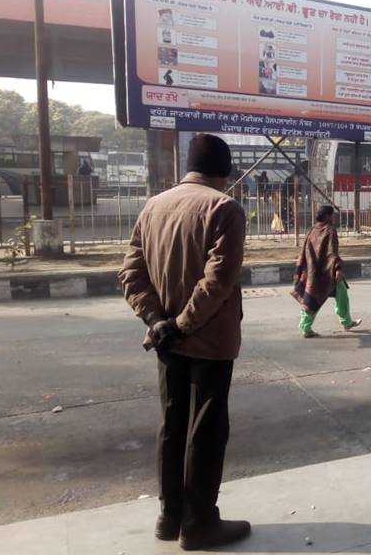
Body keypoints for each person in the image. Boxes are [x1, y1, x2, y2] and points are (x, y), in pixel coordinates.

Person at [118, 134, 251, 550]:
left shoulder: (154, 206)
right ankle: (200, 524)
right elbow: (218, 279)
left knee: (173, 425)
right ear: (224, 171)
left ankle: (169, 515)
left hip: (164, 341)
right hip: (208, 340)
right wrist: (183, 322)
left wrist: (158, 321)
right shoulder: (224, 208)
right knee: (207, 429)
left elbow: (131, 273)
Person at [291, 205, 362, 337]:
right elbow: (332, 252)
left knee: (340, 291)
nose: (334, 217)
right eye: (332, 214)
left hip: (313, 270)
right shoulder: (330, 230)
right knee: (314, 298)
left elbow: (307, 250)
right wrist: (337, 269)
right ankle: (306, 327)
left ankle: (346, 322)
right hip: (326, 272)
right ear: (328, 216)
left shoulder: (313, 229)